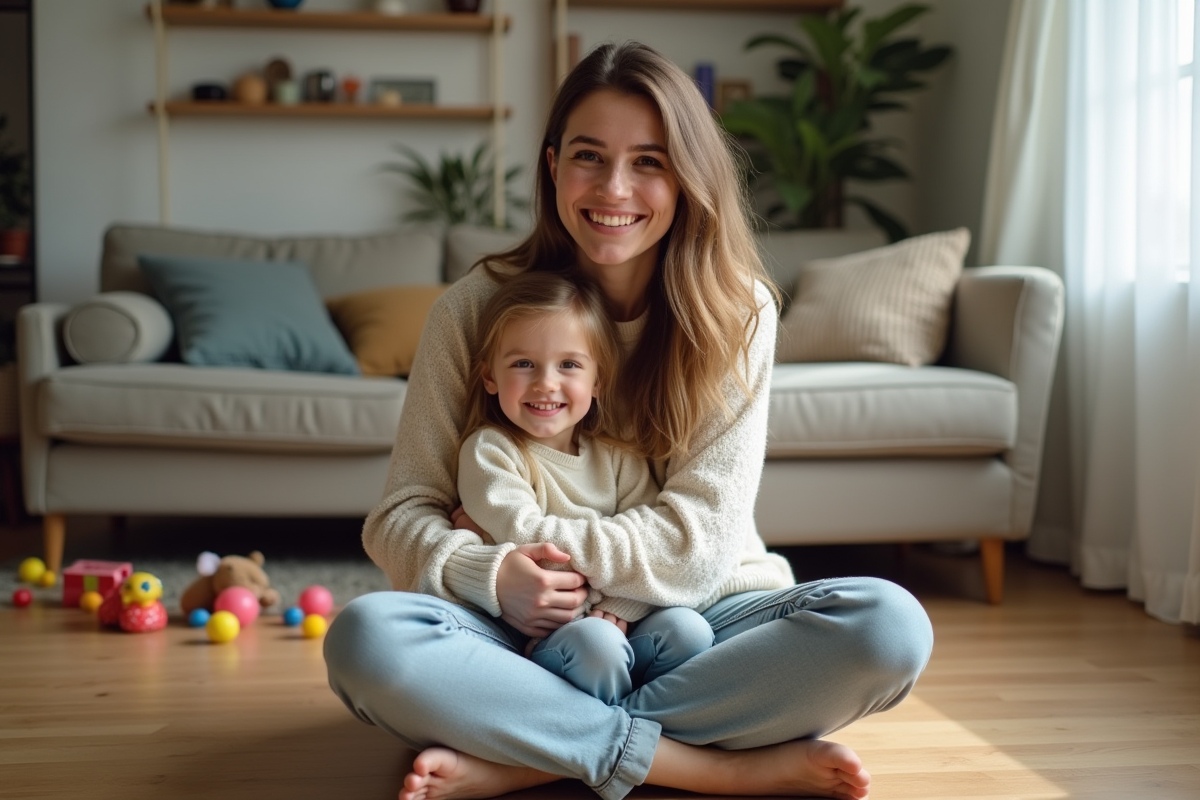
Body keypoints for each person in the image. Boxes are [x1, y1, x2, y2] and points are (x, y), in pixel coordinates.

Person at [324, 41, 934, 800]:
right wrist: (491, 575)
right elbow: (399, 516)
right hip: (521, 624)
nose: (615, 188)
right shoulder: (474, 309)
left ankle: (534, 754)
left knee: (890, 629)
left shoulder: (737, 312)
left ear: (687, 177)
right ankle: (706, 767)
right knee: (367, 640)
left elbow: (699, 545)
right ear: (552, 167)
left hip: (704, 614)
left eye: (649, 161)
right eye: (589, 156)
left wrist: (520, 544)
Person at [455, 269, 716, 705]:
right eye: (523, 364)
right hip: (539, 631)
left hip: (615, 616)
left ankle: (647, 732)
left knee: (689, 631)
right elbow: (529, 537)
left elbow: (654, 545)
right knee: (597, 644)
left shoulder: (615, 454)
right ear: (490, 377)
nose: (545, 383)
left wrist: (621, 607)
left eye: (569, 365)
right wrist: (600, 604)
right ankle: (604, 743)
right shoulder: (490, 451)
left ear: (597, 382)